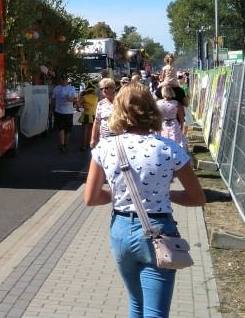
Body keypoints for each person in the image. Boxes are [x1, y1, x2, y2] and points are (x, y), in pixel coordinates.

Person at [84, 83, 205, 318]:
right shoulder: (169, 148)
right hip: (158, 231)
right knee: (155, 312)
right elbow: (197, 198)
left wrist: (121, 196)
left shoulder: (105, 147)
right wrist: (166, 195)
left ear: (119, 111)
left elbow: (91, 198)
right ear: (152, 109)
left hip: (121, 231)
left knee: (136, 303)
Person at [157, 84, 189, 151]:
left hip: (162, 124)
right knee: (175, 141)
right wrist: (181, 126)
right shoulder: (176, 103)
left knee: (163, 141)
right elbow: (181, 116)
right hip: (174, 124)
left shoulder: (158, 103)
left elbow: (156, 116)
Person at [50, 75, 77, 153]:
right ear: (60, 80)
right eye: (62, 79)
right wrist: (50, 110)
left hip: (68, 112)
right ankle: (62, 144)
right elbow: (53, 99)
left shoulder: (71, 88)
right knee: (60, 128)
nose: (64, 81)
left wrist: (70, 99)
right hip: (58, 111)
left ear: (67, 80)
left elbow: (76, 99)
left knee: (68, 129)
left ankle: (65, 143)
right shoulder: (56, 88)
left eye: (65, 79)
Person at [90, 76, 117, 148]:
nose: (103, 90)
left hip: (119, 138)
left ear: (113, 88)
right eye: (101, 89)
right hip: (104, 138)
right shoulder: (101, 103)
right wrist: (93, 138)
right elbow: (97, 121)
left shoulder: (121, 101)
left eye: (106, 88)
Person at [77, 83, 98, 151]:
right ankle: (89, 144)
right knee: (91, 131)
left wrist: (83, 106)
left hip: (86, 115)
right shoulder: (96, 97)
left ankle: (83, 146)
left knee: (84, 131)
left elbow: (77, 103)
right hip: (93, 115)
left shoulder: (85, 97)